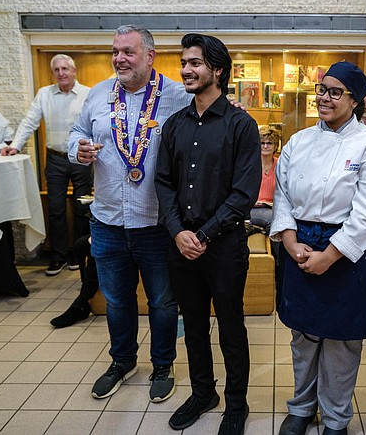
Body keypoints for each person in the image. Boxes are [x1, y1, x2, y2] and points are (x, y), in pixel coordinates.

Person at [271, 62, 366, 435]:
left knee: (342, 343)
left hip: (349, 253)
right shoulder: (299, 141)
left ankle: (337, 418)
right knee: (303, 336)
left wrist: (330, 255)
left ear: (356, 100)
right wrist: (292, 244)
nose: (324, 97)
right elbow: (282, 197)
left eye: (335, 91)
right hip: (300, 245)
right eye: (321, 90)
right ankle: (302, 406)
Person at [69, 25, 190, 402]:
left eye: (128, 52)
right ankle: (122, 362)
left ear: (150, 56)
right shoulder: (99, 93)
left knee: (163, 302)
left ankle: (163, 365)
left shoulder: (176, 96)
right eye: (115, 51)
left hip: (156, 223)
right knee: (117, 300)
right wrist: (79, 149)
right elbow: (75, 131)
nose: (119, 58)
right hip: (107, 220)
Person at [156, 33, 261, 435]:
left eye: (195, 63)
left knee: (231, 327)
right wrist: (179, 232)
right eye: (184, 63)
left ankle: (236, 402)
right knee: (194, 325)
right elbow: (163, 183)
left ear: (217, 69)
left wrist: (204, 234)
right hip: (180, 244)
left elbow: (244, 193)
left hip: (225, 245)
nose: (186, 70)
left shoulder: (241, 125)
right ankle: (204, 393)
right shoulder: (174, 125)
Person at [3, 54, 92, 276]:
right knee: (55, 209)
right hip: (55, 159)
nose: (61, 73)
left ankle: (79, 254)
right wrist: (15, 145)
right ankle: (59, 256)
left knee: (83, 208)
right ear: (53, 73)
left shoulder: (88, 94)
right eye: (57, 70)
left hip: (81, 158)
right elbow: (29, 121)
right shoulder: (44, 94)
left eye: (65, 69)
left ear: (74, 71)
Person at [249, 125, 281, 232]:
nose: (265, 146)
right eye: (262, 143)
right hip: (251, 208)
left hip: (273, 208)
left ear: (275, 146)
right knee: (275, 220)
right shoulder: (250, 164)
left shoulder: (281, 164)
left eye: (269, 143)